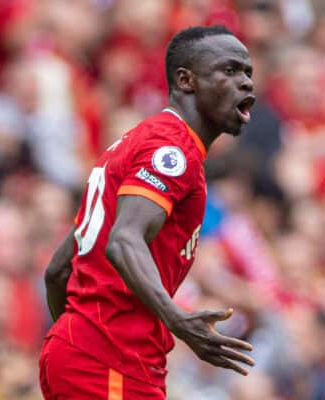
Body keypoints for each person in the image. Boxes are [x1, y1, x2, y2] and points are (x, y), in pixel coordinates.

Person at [40, 25, 256, 399]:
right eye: (230, 71)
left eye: (248, 73)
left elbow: (60, 270)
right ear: (186, 80)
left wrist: (77, 341)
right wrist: (177, 320)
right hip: (111, 364)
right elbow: (124, 239)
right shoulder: (171, 151)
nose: (246, 84)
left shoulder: (142, 143)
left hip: (97, 358)